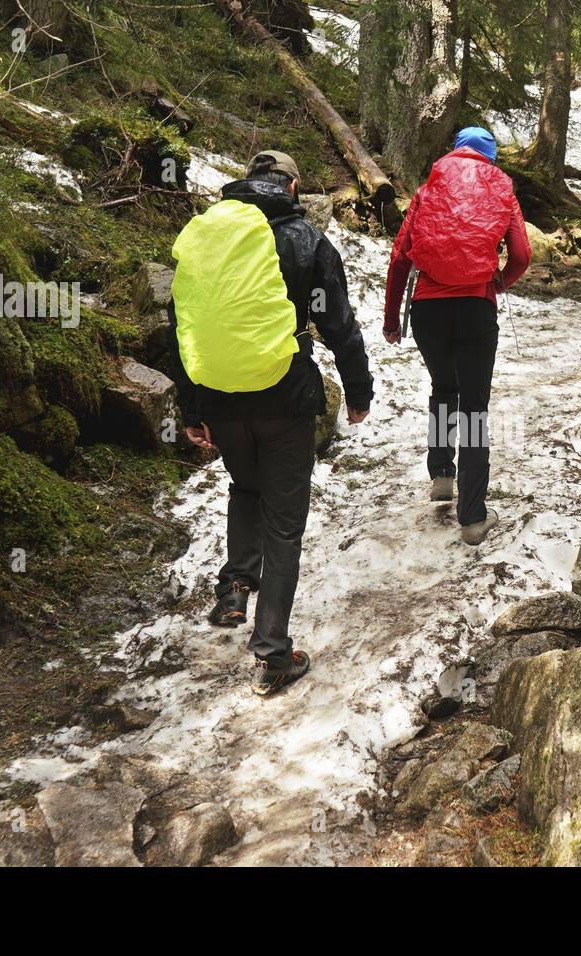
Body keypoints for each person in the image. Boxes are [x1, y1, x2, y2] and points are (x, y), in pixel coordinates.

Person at [167, 149, 374, 696]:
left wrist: (192, 408)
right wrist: (358, 390)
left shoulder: (208, 235)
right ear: (293, 184)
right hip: (283, 396)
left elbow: (182, 324)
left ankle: (235, 585)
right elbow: (339, 323)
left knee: (245, 487)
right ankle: (274, 654)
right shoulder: (306, 240)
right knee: (284, 523)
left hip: (219, 396)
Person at [382, 127, 531, 545]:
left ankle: (442, 476)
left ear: (455, 152)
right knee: (475, 407)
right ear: (490, 156)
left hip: (427, 308)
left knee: (443, 386)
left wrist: (392, 318)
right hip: (475, 308)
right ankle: (472, 517)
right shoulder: (502, 189)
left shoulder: (428, 189)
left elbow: (399, 258)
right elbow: (521, 255)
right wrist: (500, 283)